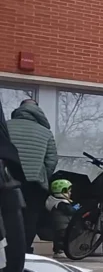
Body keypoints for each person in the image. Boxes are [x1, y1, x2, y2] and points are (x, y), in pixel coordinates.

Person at [6, 100, 57, 254]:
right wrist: (43, 177)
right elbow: (52, 160)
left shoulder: (5, 126)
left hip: (7, 180)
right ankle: (24, 252)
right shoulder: (45, 132)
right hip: (34, 184)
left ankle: (5, 250)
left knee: (6, 215)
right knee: (30, 218)